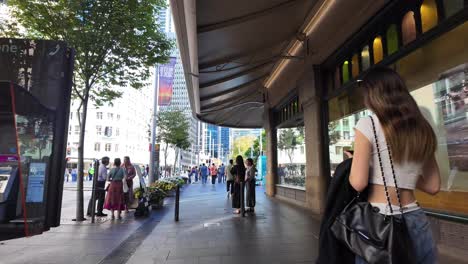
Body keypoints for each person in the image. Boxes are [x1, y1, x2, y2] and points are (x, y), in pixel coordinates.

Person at [349, 67, 440, 263]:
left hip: (380, 222)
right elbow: (433, 186)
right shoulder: (422, 126)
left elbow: (358, 182)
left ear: (373, 94)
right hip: (416, 219)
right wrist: (404, 174)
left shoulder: (368, 124)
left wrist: (354, 162)